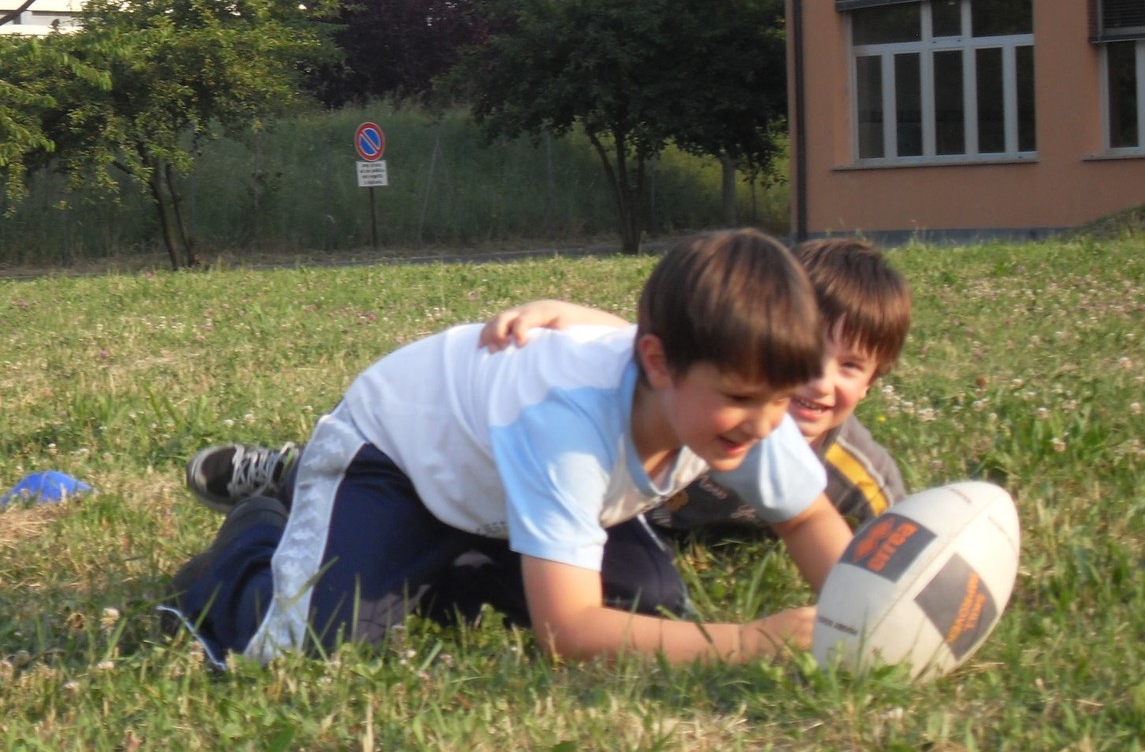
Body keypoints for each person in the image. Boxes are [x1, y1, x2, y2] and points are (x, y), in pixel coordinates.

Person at [163, 229, 853, 667]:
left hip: (498, 490)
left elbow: (805, 517)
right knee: (306, 645)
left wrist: (868, 619)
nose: (764, 422)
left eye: (778, 398)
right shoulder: (566, 424)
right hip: (398, 457)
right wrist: (745, 642)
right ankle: (259, 534)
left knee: (649, 613)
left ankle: (437, 571)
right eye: (741, 397)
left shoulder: (739, 402)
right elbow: (568, 631)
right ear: (661, 363)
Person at [479, 237, 912, 538]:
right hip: (615, 513)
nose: (819, 381)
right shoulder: (696, 396)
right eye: (805, 353)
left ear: (873, 381)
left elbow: (898, 544)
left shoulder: (851, 470)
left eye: (850, 366)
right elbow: (653, 350)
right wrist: (563, 313)